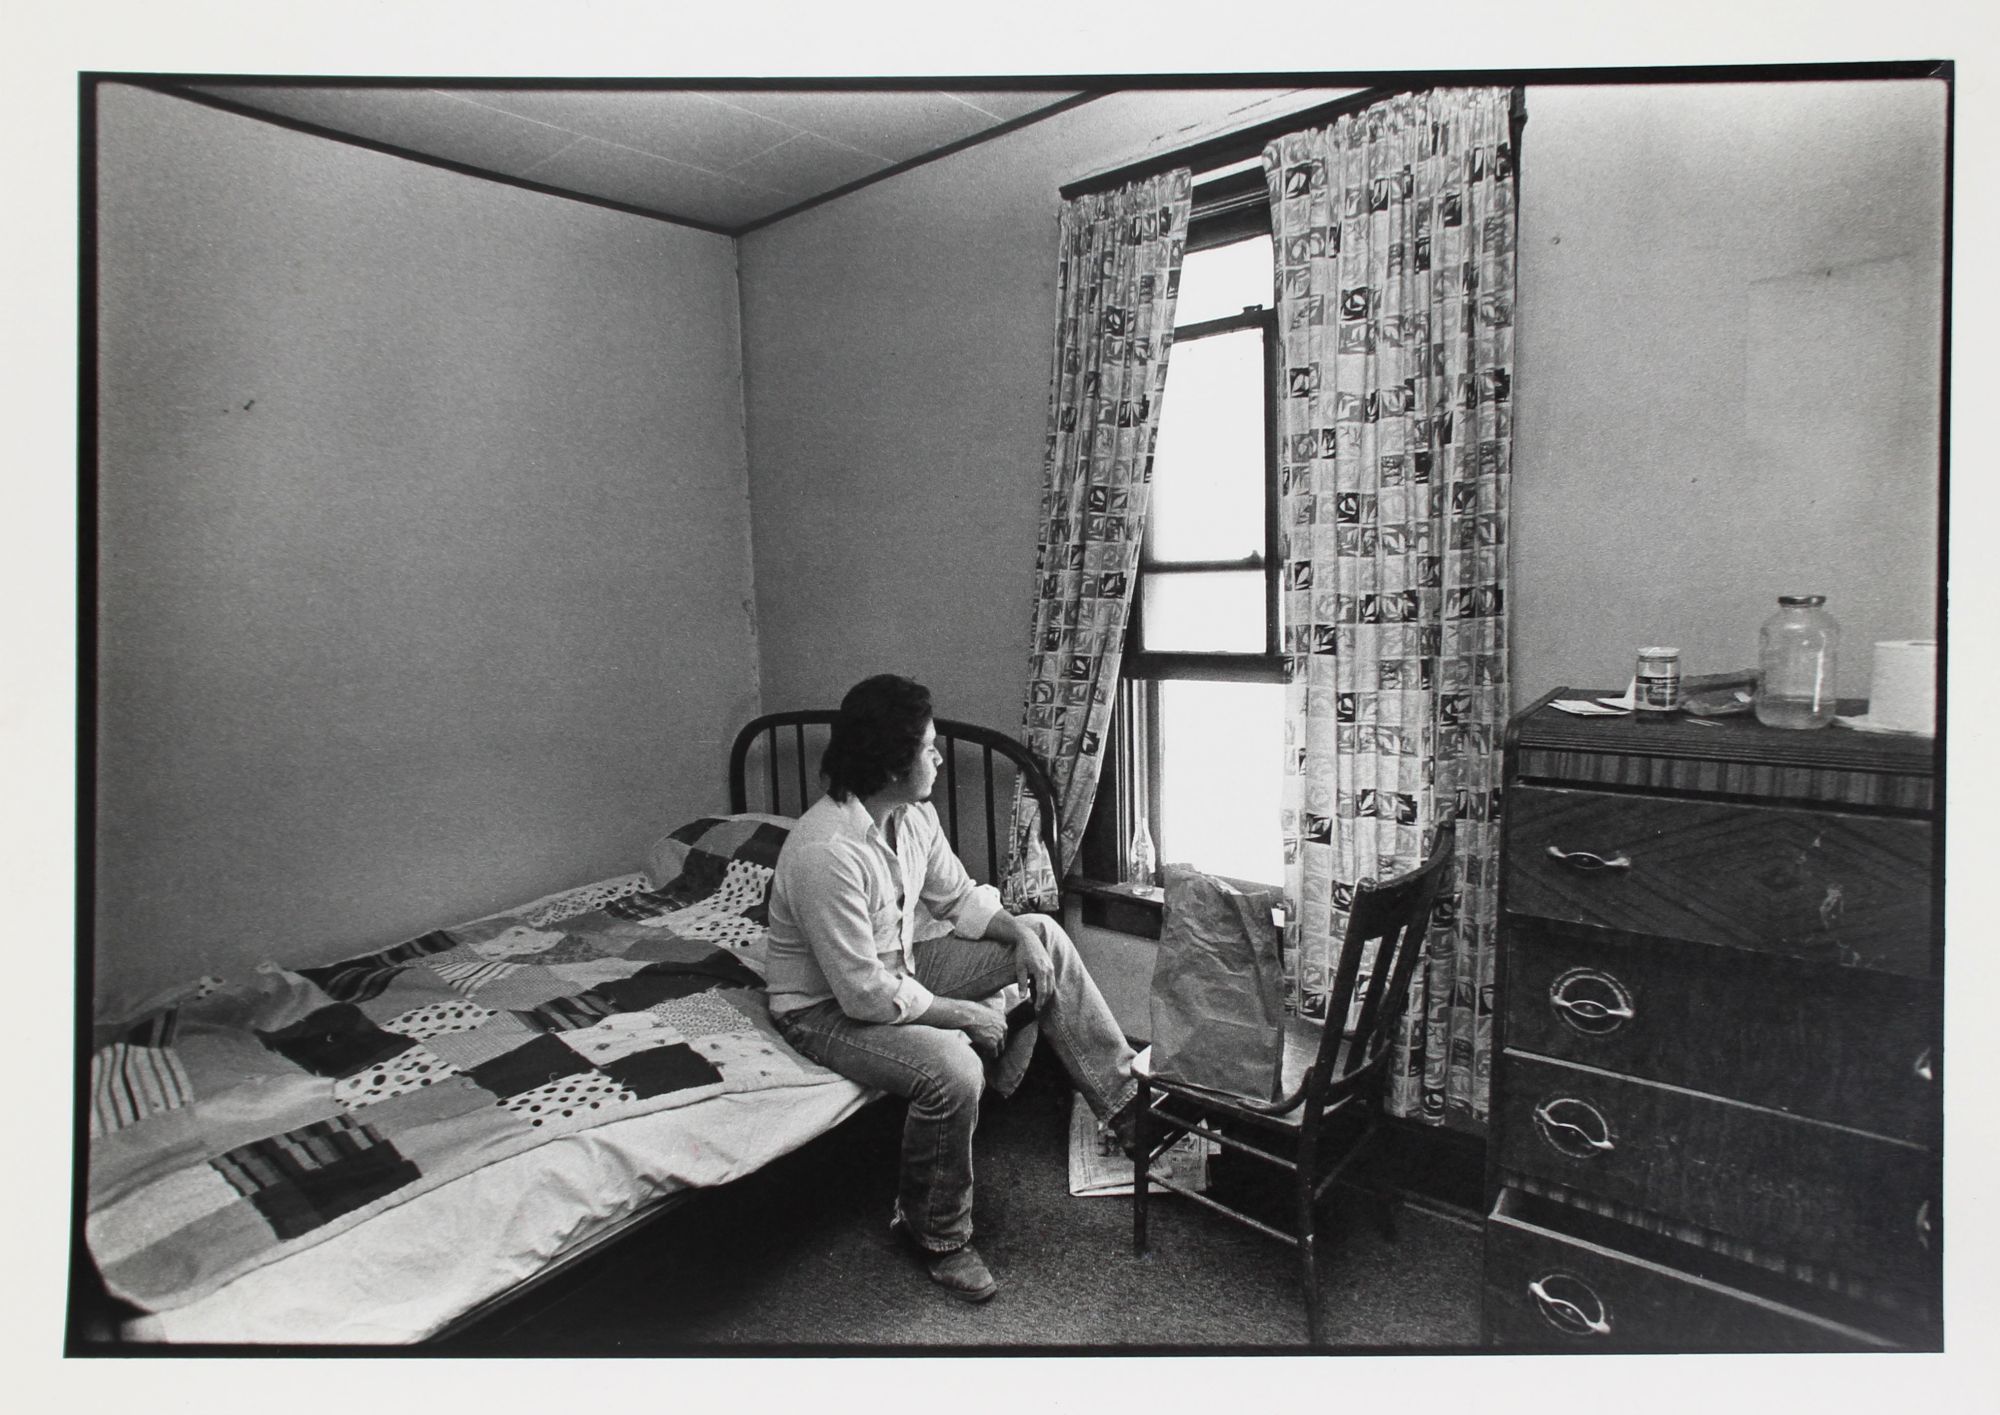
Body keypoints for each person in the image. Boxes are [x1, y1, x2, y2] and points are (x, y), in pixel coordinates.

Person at [765, 674, 1141, 1304]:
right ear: (891, 764)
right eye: (928, 748)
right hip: (823, 1008)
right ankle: (935, 1233)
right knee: (954, 1070)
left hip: (900, 970)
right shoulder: (824, 852)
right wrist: (963, 1016)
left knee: (1044, 934)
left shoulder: (912, 815)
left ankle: (1127, 1110)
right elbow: (862, 995)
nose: (938, 758)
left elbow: (958, 898)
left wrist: (1019, 934)